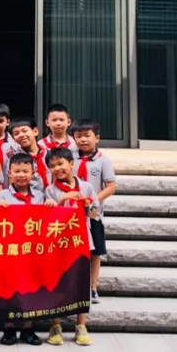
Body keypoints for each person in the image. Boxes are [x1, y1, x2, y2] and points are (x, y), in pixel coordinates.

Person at [44, 148, 98, 347]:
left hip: (81, 240)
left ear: (72, 164)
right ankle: (55, 325)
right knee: (56, 283)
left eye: (60, 164)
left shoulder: (86, 187)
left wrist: (87, 204)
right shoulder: (50, 190)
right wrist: (62, 199)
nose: (57, 169)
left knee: (80, 282)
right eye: (52, 166)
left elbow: (94, 215)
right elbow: (48, 217)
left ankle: (81, 326)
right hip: (59, 242)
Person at [0, 153, 48, 346]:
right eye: (17, 171)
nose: (21, 175)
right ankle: (8, 328)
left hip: (32, 252)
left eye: (25, 171)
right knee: (9, 290)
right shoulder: (2, 195)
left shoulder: (40, 196)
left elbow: (47, 221)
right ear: (9, 173)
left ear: (33, 173)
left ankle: (27, 328)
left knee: (30, 289)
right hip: (10, 251)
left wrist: (51, 206)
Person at [71, 119, 116, 305]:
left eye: (87, 136)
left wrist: (93, 200)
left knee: (95, 252)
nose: (83, 140)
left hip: (94, 214)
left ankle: (93, 287)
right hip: (72, 214)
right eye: (78, 136)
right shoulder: (70, 159)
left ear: (96, 138)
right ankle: (74, 285)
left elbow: (110, 186)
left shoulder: (103, 161)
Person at [4, 118, 51, 192]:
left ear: (35, 131)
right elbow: (12, 185)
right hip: (28, 197)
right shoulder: (14, 158)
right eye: (16, 133)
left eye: (24, 131)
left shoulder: (49, 154)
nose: (21, 135)